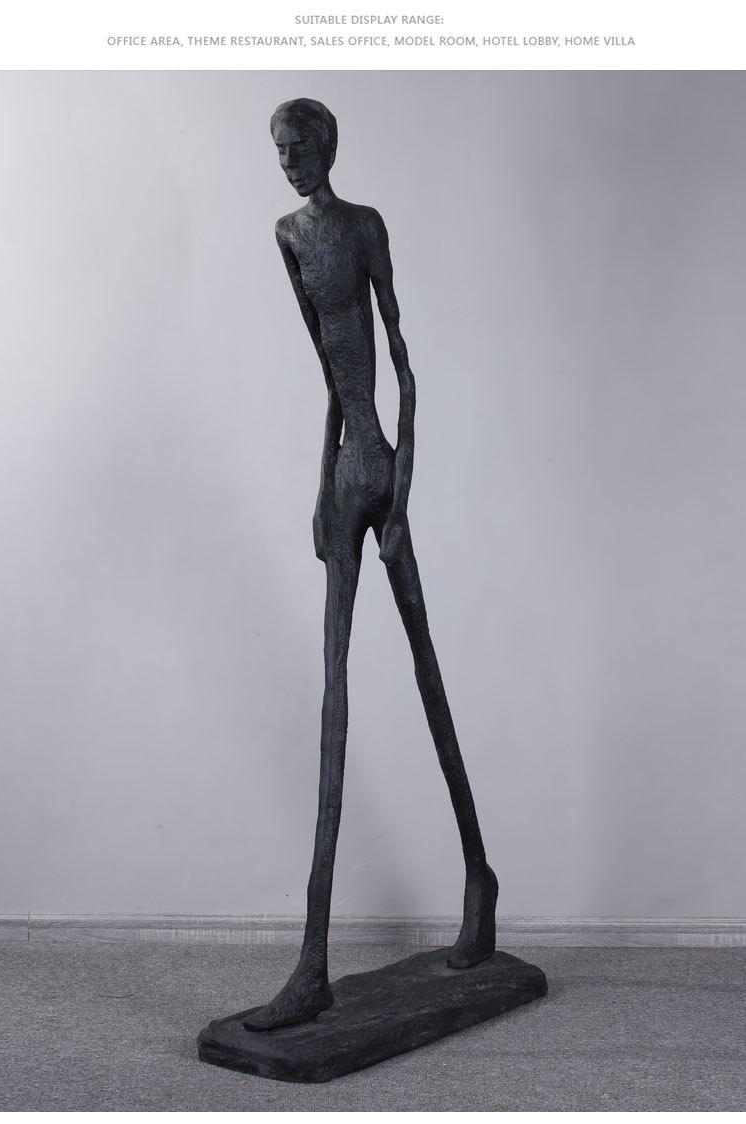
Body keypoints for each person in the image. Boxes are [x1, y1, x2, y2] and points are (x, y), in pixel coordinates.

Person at [243, 98, 498, 1031]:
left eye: (299, 147)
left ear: (328, 146)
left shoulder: (363, 227)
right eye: (278, 152)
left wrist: (403, 496)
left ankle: (479, 875)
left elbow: (403, 364)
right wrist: (322, 489)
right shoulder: (288, 238)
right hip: (346, 476)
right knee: (333, 699)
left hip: (382, 472)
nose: (288, 163)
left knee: (427, 675)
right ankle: (313, 964)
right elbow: (329, 374)